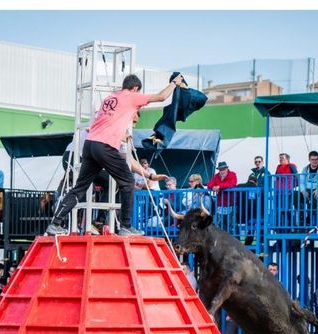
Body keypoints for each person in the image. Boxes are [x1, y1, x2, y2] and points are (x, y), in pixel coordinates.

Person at [46, 73, 183, 236]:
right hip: (104, 145)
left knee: (80, 187)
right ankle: (125, 226)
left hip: (90, 145)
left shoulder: (110, 99)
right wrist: (175, 83)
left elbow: (102, 125)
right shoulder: (131, 97)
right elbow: (161, 97)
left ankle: (55, 224)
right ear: (135, 88)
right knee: (127, 182)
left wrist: (121, 136)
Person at [206, 162, 238, 230]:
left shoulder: (232, 174)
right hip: (220, 204)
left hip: (231, 203)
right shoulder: (216, 176)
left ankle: (235, 239)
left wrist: (219, 186)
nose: (222, 171)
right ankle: (222, 239)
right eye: (220, 169)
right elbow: (209, 184)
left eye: (223, 169)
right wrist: (213, 187)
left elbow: (232, 183)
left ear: (227, 169)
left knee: (232, 223)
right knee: (220, 223)